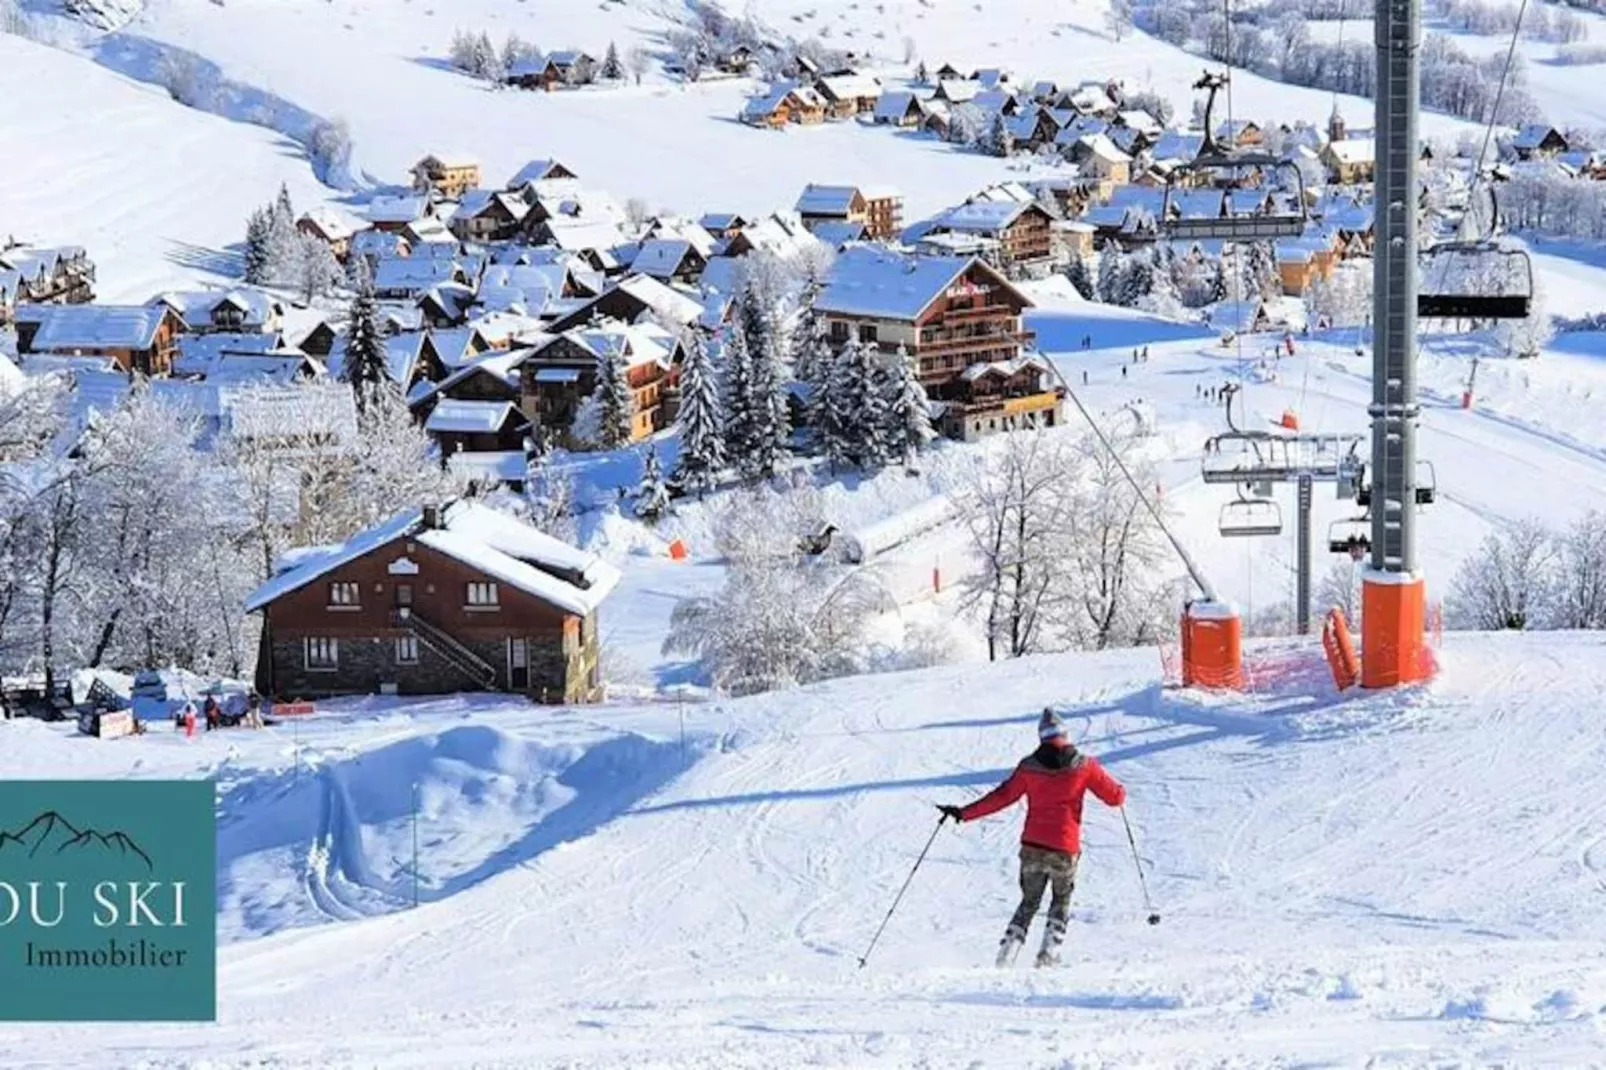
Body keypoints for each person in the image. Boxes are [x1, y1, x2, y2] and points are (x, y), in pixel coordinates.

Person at [938, 709, 1125, 968]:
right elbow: (1114, 798)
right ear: (1065, 734)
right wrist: (1120, 793)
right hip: (1065, 847)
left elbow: (1001, 797)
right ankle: (1048, 955)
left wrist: (963, 813)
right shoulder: (1084, 766)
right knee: (1061, 898)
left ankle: (1007, 955)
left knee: (1029, 901)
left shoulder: (1029, 767)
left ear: (1042, 737)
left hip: (1032, 846)